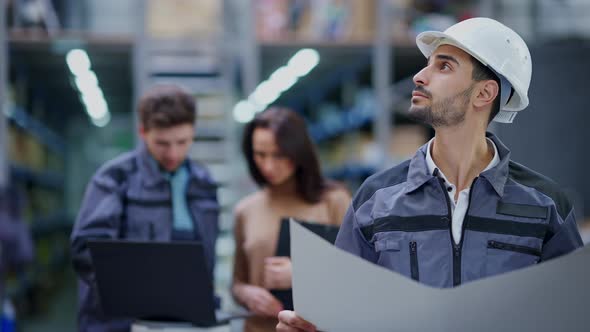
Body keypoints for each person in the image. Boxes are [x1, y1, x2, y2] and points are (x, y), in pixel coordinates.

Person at [276, 17, 583, 332]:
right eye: (427, 65)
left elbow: (572, 315)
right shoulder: (377, 198)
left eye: (444, 66)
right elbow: (339, 312)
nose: (420, 76)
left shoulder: (545, 207)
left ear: (484, 93)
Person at [70, 84, 220, 332]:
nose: (173, 153)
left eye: (182, 142)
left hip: (182, 321)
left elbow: (205, 262)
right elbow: (86, 250)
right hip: (118, 323)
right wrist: (139, 294)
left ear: (193, 132)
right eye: (162, 143)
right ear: (143, 132)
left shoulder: (204, 182)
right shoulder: (114, 178)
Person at [232, 107, 351, 332]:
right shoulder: (245, 209)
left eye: (279, 155)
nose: (268, 166)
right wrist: (247, 294)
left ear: (298, 151)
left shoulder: (334, 201)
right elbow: (238, 282)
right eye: (260, 154)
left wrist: (302, 275)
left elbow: (358, 277)